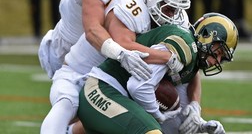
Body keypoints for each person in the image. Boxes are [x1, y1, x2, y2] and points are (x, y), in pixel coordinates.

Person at [40, 0, 191, 134]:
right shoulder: (131, 5)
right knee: (66, 104)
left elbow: (192, 66)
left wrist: (195, 106)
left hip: (113, 81)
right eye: (169, 8)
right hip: (78, 74)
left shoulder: (175, 19)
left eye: (176, 9)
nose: (173, 15)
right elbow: (123, 44)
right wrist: (166, 56)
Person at [77, 12, 239, 134]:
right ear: (206, 35)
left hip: (118, 98)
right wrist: (158, 116)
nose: (215, 61)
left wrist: (200, 125)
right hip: (101, 90)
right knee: (151, 131)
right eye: (217, 53)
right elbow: (138, 87)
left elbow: (177, 122)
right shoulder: (185, 45)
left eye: (221, 59)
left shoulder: (191, 62)